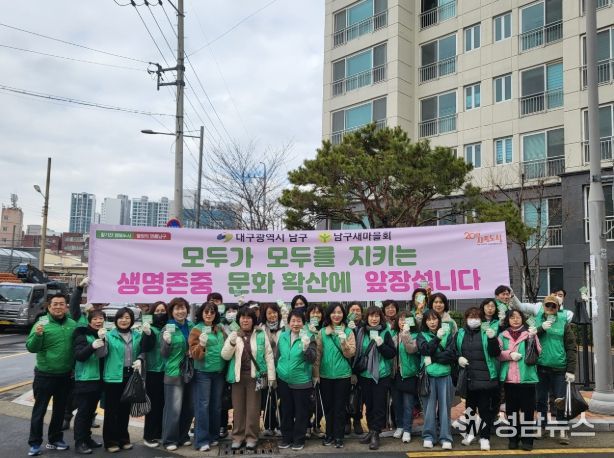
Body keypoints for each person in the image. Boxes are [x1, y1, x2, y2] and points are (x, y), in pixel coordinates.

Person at [26, 294, 78, 456]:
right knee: (39, 410)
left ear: (66, 307)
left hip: (65, 375)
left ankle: (55, 439)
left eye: (61, 304)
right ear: (49, 307)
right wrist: (38, 335)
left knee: (60, 410)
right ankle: (35, 443)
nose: (58, 307)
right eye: (55, 304)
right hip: (44, 375)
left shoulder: (72, 324)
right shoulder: (41, 324)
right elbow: (31, 348)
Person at [221, 307, 276, 451]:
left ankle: (251, 437)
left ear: (253, 320)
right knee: (238, 409)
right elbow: (225, 356)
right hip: (237, 377)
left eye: (249, 317)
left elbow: (269, 355)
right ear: (238, 319)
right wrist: (232, 342)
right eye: (242, 317)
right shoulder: (234, 334)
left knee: (253, 409)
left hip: (255, 377)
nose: (245, 320)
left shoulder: (260, 334)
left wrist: (271, 376)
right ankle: (237, 437)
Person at [102, 307, 153, 453]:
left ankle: (123, 439)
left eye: (127, 318)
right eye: (121, 317)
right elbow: (101, 354)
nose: (124, 320)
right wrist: (101, 340)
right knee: (112, 411)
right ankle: (110, 441)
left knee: (124, 410)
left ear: (132, 320)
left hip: (131, 376)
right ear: (116, 319)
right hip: (113, 377)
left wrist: (140, 359)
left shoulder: (137, 335)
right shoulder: (109, 335)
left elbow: (143, 351)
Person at [531, 295, 577, 444]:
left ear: (558, 308)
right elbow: (528, 338)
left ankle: (563, 429)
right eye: (548, 305)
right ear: (543, 306)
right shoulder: (535, 320)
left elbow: (571, 347)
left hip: (559, 368)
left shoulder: (563, 322)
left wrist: (571, 370)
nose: (550, 308)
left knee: (560, 401)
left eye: (553, 306)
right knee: (540, 400)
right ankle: (541, 426)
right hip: (540, 367)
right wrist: (541, 328)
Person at [455, 307, 501, 451]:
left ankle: (485, 437)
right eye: (470, 317)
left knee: (484, 409)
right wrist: (458, 358)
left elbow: (495, 353)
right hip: (468, 377)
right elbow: (454, 350)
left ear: (481, 319)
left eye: (476, 317)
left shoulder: (486, 331)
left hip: (485, 377)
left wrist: (492, 338)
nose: (473, 320)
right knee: (469, 408)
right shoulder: (460, 333)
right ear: (466, 318)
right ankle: (470, 433)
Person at [498, 309, 542, 451]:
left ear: (522, 319)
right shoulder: (503, 335)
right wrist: (510, 354)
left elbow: (538, 352)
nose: (515, 320)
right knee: (511, 412)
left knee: (528, 412)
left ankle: (527, 440)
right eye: (512, 317)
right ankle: (513, 439)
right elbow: (497, 354)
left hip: (527, 378)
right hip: (510, 379)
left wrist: (533, 337)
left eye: (518, 317)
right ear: (508, 320)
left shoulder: (529, 333)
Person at [276, 310, 318, 451]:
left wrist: (306, 348)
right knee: (286, 410)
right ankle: (286, 438)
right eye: (293, 320)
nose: (296, 324)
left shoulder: (309, 337)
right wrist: (277, 371)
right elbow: (278, 355)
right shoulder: (283, 336)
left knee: (301, 412)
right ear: (288, 322)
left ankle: (299, 439)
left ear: (303, 323)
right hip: (284, 379)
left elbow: (312, 359)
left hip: (301, 380)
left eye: (299, 321)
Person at [355, 305, 396, 450]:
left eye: (377, 316)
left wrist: (381, 345)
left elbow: (391, 353)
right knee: (369, 404)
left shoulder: (385, 332)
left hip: (381, 375)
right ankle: (371, 430)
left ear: (381, 318)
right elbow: (358, 353)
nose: (374, 319)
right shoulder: (361, 332)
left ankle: (376, 434)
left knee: (379, 405)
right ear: (367, 317)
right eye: (371, 316)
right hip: (365, 375)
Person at [189, 302, 226, 452]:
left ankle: (213, 435)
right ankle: (201, 440)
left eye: (212, 312)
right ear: (201, 313)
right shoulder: (196, 330)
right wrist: (201, 345)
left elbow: (229, 343)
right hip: (202, 373)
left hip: (219, 373)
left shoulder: (219, 328)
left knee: (216, 406)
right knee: (202, 406)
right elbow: (194, 354)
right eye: (206, 312)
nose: (209, 314)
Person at [317, 303, 356, 448]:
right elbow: (318, 355)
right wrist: (316, 374)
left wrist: (343, 341)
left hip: (343, 376)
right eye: (333, 312)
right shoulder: (322, 332)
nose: (336, 315)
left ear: (343, 314)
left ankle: (339, 436)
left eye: (339, 312)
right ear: (329, 315)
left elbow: (351, 353)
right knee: (328, 408)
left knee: (340, 408)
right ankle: (329, 435)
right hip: (325, 375)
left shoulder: (349, 332)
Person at [417, 309, 456, 450]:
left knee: (445, 409)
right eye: (429, 320)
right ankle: (428, 436)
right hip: (429, 376)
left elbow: (451, 356)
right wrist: (437, 339)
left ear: (439, 320)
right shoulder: (421, 335)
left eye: (434, 319)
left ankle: (445, 437)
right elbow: (425, 350)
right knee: (429, 409)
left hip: (445, 375)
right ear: (425, 322)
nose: (432, 322)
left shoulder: (448, 334)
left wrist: (433, 359)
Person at [160, 297, 195, 451]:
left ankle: (183, 435)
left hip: (190, 371)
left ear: (187, 309)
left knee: (189, 406)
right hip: (174, 372)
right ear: (172, 311)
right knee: (173, 409)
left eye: (183, 308)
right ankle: (169, 439)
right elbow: (163, 353)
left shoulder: (191, 326)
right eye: (177, 308)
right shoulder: (168, 328)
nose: (181, 311)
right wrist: (167, 342)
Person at [72, 309, 107, 454]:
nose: (98, 321)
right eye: (95, 319)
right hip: (85, 379)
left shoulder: (104, 334)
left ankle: (87, 438)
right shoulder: (82, 335)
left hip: (99, 379)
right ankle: (79, 442)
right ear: (89, 321)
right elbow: (79, 356)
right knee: (83, 412)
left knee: (91, 411)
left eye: (101, 318)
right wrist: (92, 346)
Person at [390, 310, 420, 444]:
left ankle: (407, 429)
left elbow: (411, 350)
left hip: (409, 374)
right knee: (397, 403)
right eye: (401, 319)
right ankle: (400, 426)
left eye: (406, 319)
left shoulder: (416, 335)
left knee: (408, 404)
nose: (403, 322)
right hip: (395, 374)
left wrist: (406, 334)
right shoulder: (394, 335)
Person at [143, 301, 168, 448]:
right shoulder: (149, 327)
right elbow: (145, 347)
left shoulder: (169, 327)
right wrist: (147, 334)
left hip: (167, 370)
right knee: (153, 405)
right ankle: (149, 435)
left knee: (163, 404)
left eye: (163, 310)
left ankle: (159, 433)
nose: (160, 313)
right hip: (153, 371)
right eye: (157, 311)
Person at [260, 303, 283, 436]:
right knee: (267, 397)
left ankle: (281, 425)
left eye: (274, 312)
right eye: (269, 313)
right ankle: (269, 425)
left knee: (282, 397)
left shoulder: (284, 327)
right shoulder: (261, 328)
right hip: (266, 368)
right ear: (265, 315)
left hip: (281, 368)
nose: (272, 315)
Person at [219, 302, 239, 439]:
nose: (231, 313)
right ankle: (222, 425)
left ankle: (237, 425)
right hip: (223, 365)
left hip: (236, 365)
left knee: (238, 399)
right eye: (229, 310)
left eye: (234, 310)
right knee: (223, 398)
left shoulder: (240, 325)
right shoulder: (220, 326)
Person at [304, 303, 325, 437]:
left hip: (324, 370)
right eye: (313, 312)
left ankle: (316, 425)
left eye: (318, 312)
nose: (316, 315)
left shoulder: (325, 328)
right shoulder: (303, 328)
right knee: (307, 401)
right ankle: (306, 426)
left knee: (320, 401)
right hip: (306, 371)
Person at [345, 301, 365, 436]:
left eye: (358, 310)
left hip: (361, 366)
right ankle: (346, 420)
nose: (355, 313)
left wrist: (356, 371)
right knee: (345, 395)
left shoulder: (365, 327)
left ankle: (357, 420)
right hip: (345, 366)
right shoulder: (343, 327)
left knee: (359, 395)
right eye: (353, 310)